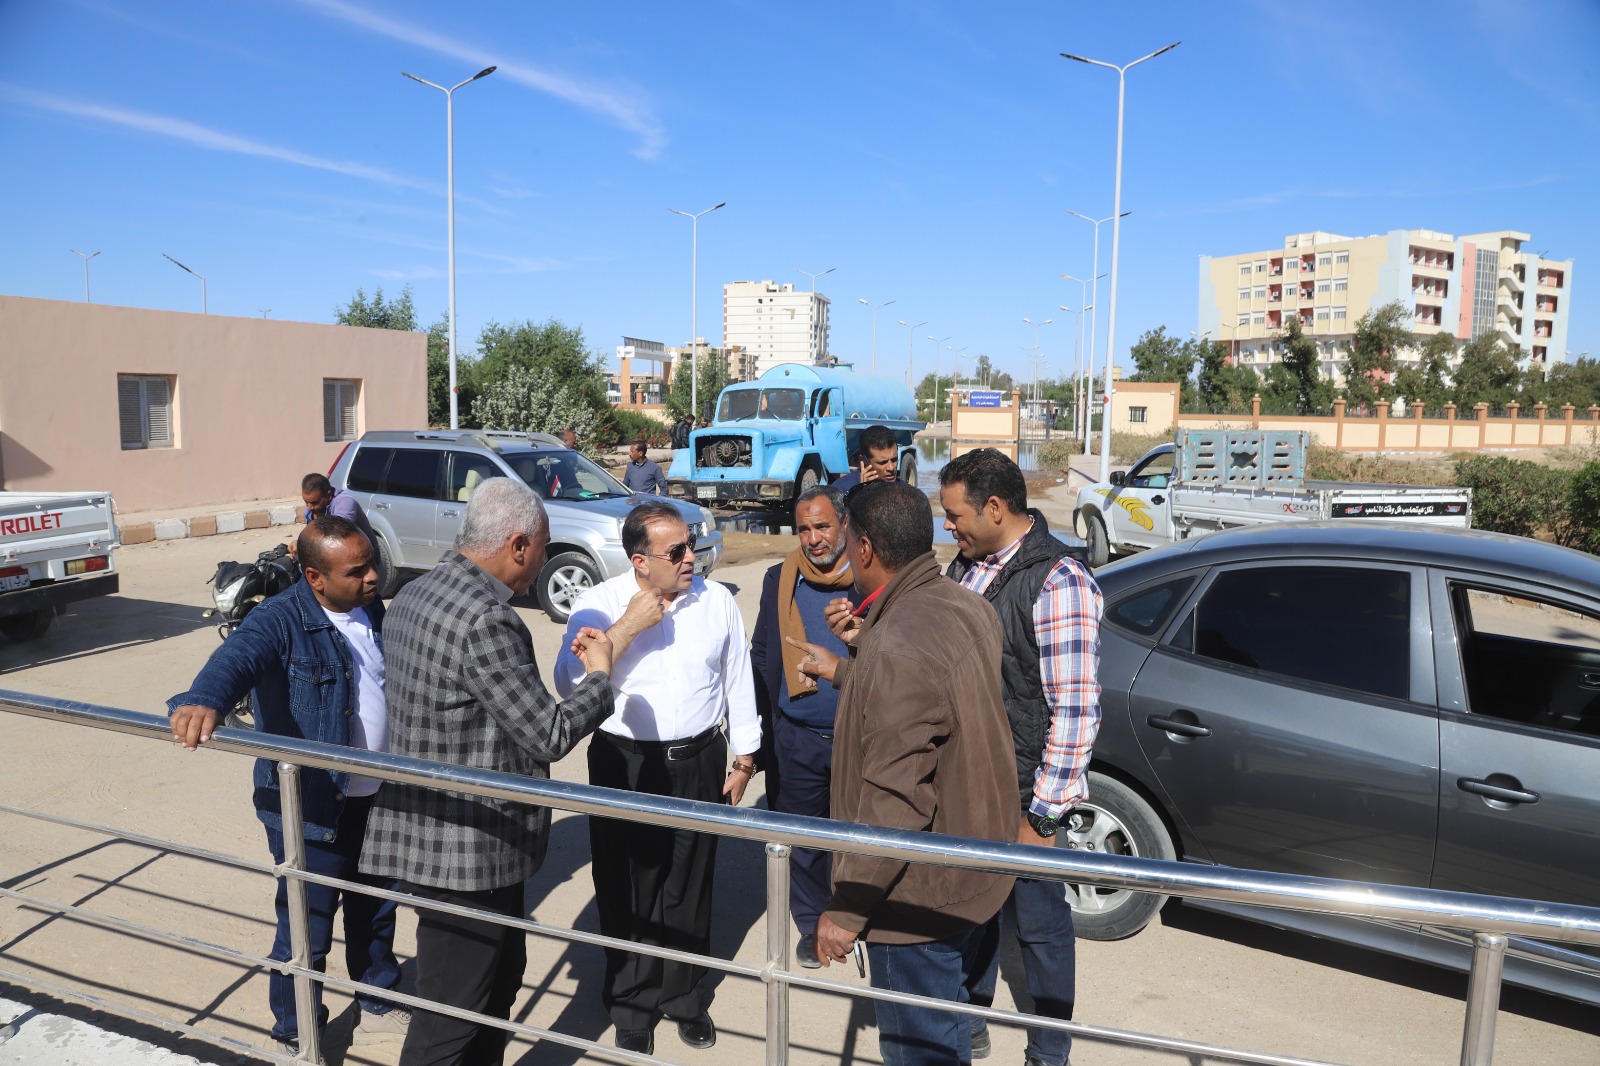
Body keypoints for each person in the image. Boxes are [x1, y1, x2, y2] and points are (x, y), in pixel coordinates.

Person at [359, 477, 616, 1066]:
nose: (545, 562)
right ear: (518, 545)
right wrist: (601, 678)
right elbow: (548, 734)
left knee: (492, 992)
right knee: (450, 1021)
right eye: (543, 548)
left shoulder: (416, 593)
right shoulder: (486, 619)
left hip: (436, 836)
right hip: (470, 853)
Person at [791, 480, 1016, 1066]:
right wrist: (851, 665)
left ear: (865, 548)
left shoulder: (898, 642)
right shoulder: (966, 604)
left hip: (916, 901)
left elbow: (895, 797)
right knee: (952, 1031)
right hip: (976, 867)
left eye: (847, 542)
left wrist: (847, 909)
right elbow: (932, 703)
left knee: (925, 1053)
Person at [167, 516, 407, 1059]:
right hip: (312, 806)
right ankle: (296, 1030)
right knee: (306, 926)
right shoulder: (279, 619)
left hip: (378, 798)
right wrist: (203, 699)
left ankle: (376, 998)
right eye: (357, 570)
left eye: (371, 563)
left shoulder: (369, 608)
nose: (373, 576)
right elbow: (236, 659)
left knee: (375, 909)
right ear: (315, 577)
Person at [555, 500, 759, 1056]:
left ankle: (685, 997)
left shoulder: (715, 601)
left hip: (700, 759)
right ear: (640, 561)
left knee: (689, 884)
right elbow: (569, 682)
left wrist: (745, 758)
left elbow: (737, 678)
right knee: (627, 887)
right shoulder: (598, 604)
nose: (691, 556)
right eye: (677, 551)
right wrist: (628, 626)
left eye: (691, 544)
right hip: (625, 762)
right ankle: (631, 1003)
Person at [939, 448, 1102, 1066]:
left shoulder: (1059, 582)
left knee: (1040, 927)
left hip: (1024, 791)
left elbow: (1075, 710)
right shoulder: (968, 566)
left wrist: (1043, 814)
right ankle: (972, 1021)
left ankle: (1049, 1051)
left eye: (955, 515)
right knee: (971, 911)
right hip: (971, 782)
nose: (948, 526)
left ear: (995, 508)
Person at [748, 485, 861, 970]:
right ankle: (812, 923)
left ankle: (854, 916)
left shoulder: (871, 578)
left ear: (845, 525)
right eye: (804, 529)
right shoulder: (780, 578)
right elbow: (762, 653)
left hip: (860, 737)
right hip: (797, 737)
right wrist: (760, 731)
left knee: (859, 834)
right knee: (803, 839)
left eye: (823, 526)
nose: (813, 539)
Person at [295, 472, 375, 555]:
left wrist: (305, 544)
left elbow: (336, 532)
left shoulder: (345, 502)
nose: (309, 507)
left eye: (314, 503)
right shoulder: (311, 510)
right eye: (306, 502)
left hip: (363, 556)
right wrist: (299, 544)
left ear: (328, 495)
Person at [830, 424, 902, 494]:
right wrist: (863, 494)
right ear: (864, 461)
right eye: (882, 462)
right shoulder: (841, 489)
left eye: (894, 460)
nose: (891, 468)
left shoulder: (904, 490)